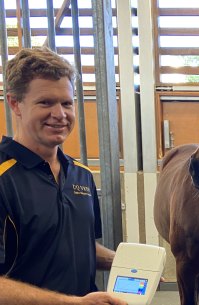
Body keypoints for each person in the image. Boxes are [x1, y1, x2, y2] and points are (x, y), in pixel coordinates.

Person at [0, 47, 126, 305]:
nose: (60, 114)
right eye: (45, 102)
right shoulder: (4, 178)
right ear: (15, 104)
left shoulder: (82, 176)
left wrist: (126, 262)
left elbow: (75, 245)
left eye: (66, 103)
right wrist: (71, 302)